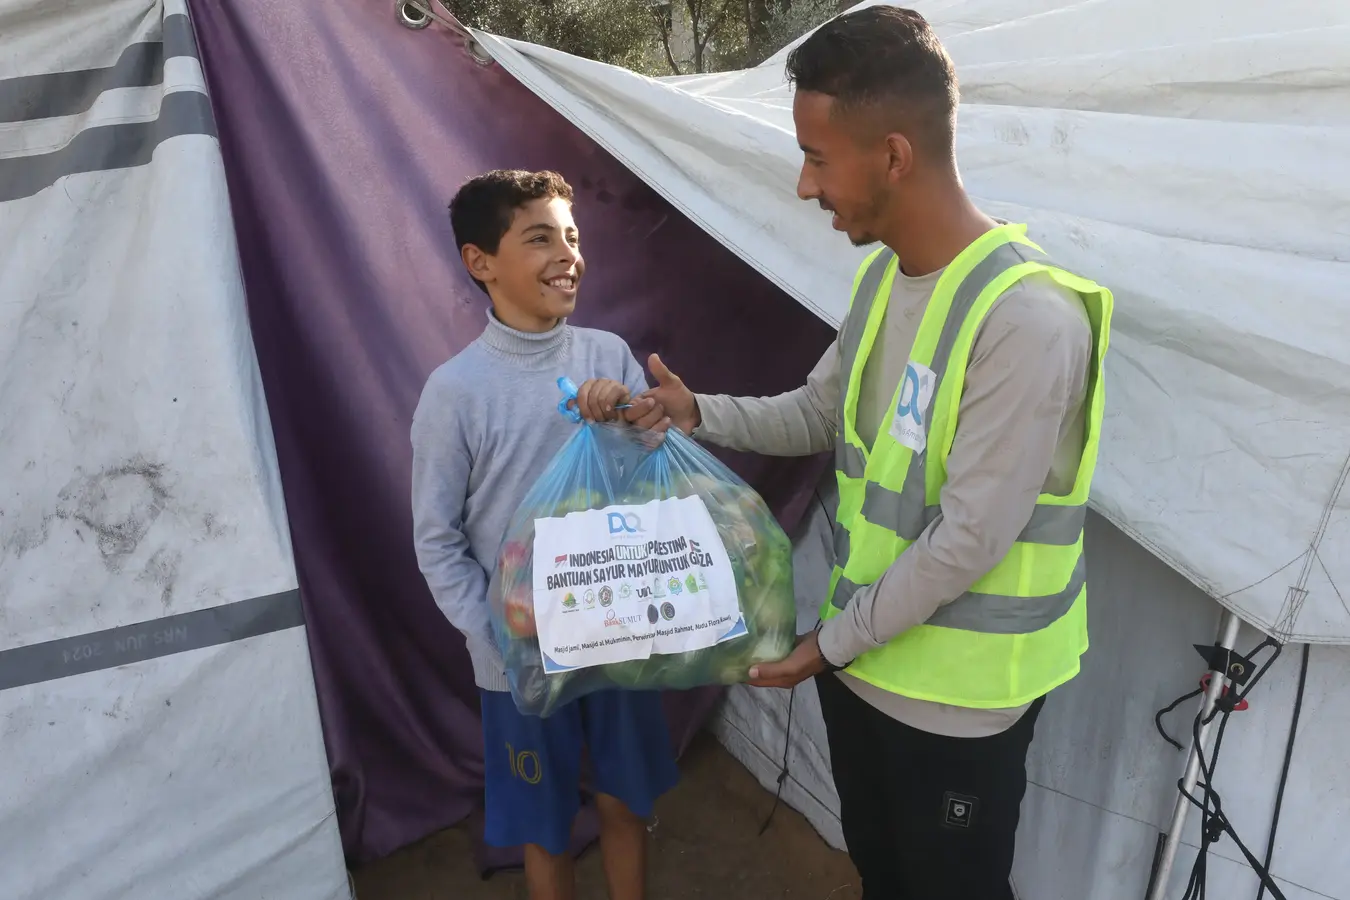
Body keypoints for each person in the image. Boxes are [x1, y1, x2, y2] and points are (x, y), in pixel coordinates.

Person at [639, 8, 1113, 899]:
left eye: (817, 158)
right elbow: (823, 412)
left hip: (956, 708)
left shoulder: (1027, 320)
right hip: (865, 673)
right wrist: (697, 411)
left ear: (894, 156)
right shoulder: (887, 279)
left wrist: (822, 648)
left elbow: (969, 538)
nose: (804, 186)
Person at [410, 169, 677, 900]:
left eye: (572, 236)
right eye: (539, 238)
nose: (567, 254)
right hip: (517, 661)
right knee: (546, 823)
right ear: (480, 263)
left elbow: (653, 486)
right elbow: (436, 541)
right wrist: (496, 633)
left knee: (627, 802)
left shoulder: (606, 357)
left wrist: (626, 420)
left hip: (617, 633)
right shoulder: (456, 393)